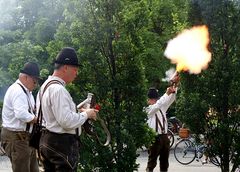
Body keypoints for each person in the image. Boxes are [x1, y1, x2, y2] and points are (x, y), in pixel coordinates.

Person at [37, 47, 98, 172]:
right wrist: (87, 114)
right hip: (61, 145)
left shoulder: (45, 86)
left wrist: (78, 112)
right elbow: (66, 121)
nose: (76, 73)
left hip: (47, 141)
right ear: (65, 68)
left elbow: (56, 116)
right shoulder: (58, 90)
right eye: (75, 69)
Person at [1, 62, 40, 172]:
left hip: (25, 138)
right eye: (35, 80)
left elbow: (30, 110)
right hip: (17, 139)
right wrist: (38, 120)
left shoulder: (27, 92)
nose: (36, 83)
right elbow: (21, 114)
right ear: (26, 77)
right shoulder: (18, 91)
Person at [144, 74, 180, 172]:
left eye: (156, 98)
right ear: (149, 100)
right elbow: (159, 104)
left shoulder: (161, 107)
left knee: (164, 164)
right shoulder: (148, 109)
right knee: (151, 163)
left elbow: (170, 99)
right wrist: (166, 93)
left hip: (164, 137)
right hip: (154, 138)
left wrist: (174, 86)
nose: (156, 100)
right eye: (154, 99)